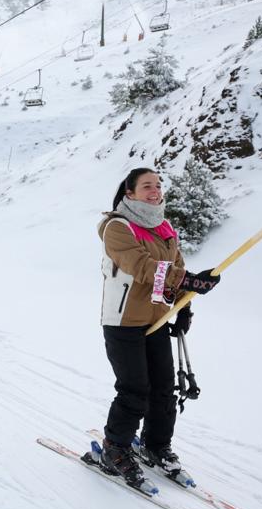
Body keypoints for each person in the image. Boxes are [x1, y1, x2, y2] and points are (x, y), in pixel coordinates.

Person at [81, 167, 221, 490]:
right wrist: (187, 280)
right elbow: (144, 268)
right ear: (129, 193)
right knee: (134, 390)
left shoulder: (164, 227)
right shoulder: (116, 227)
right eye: (147, 186)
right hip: (123, 322)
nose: (155, 190)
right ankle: (115, 448)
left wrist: (184, 303)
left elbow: (177, 270)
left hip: (155, 320)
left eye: (158, 185)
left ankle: (155, 445)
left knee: (163, 389)